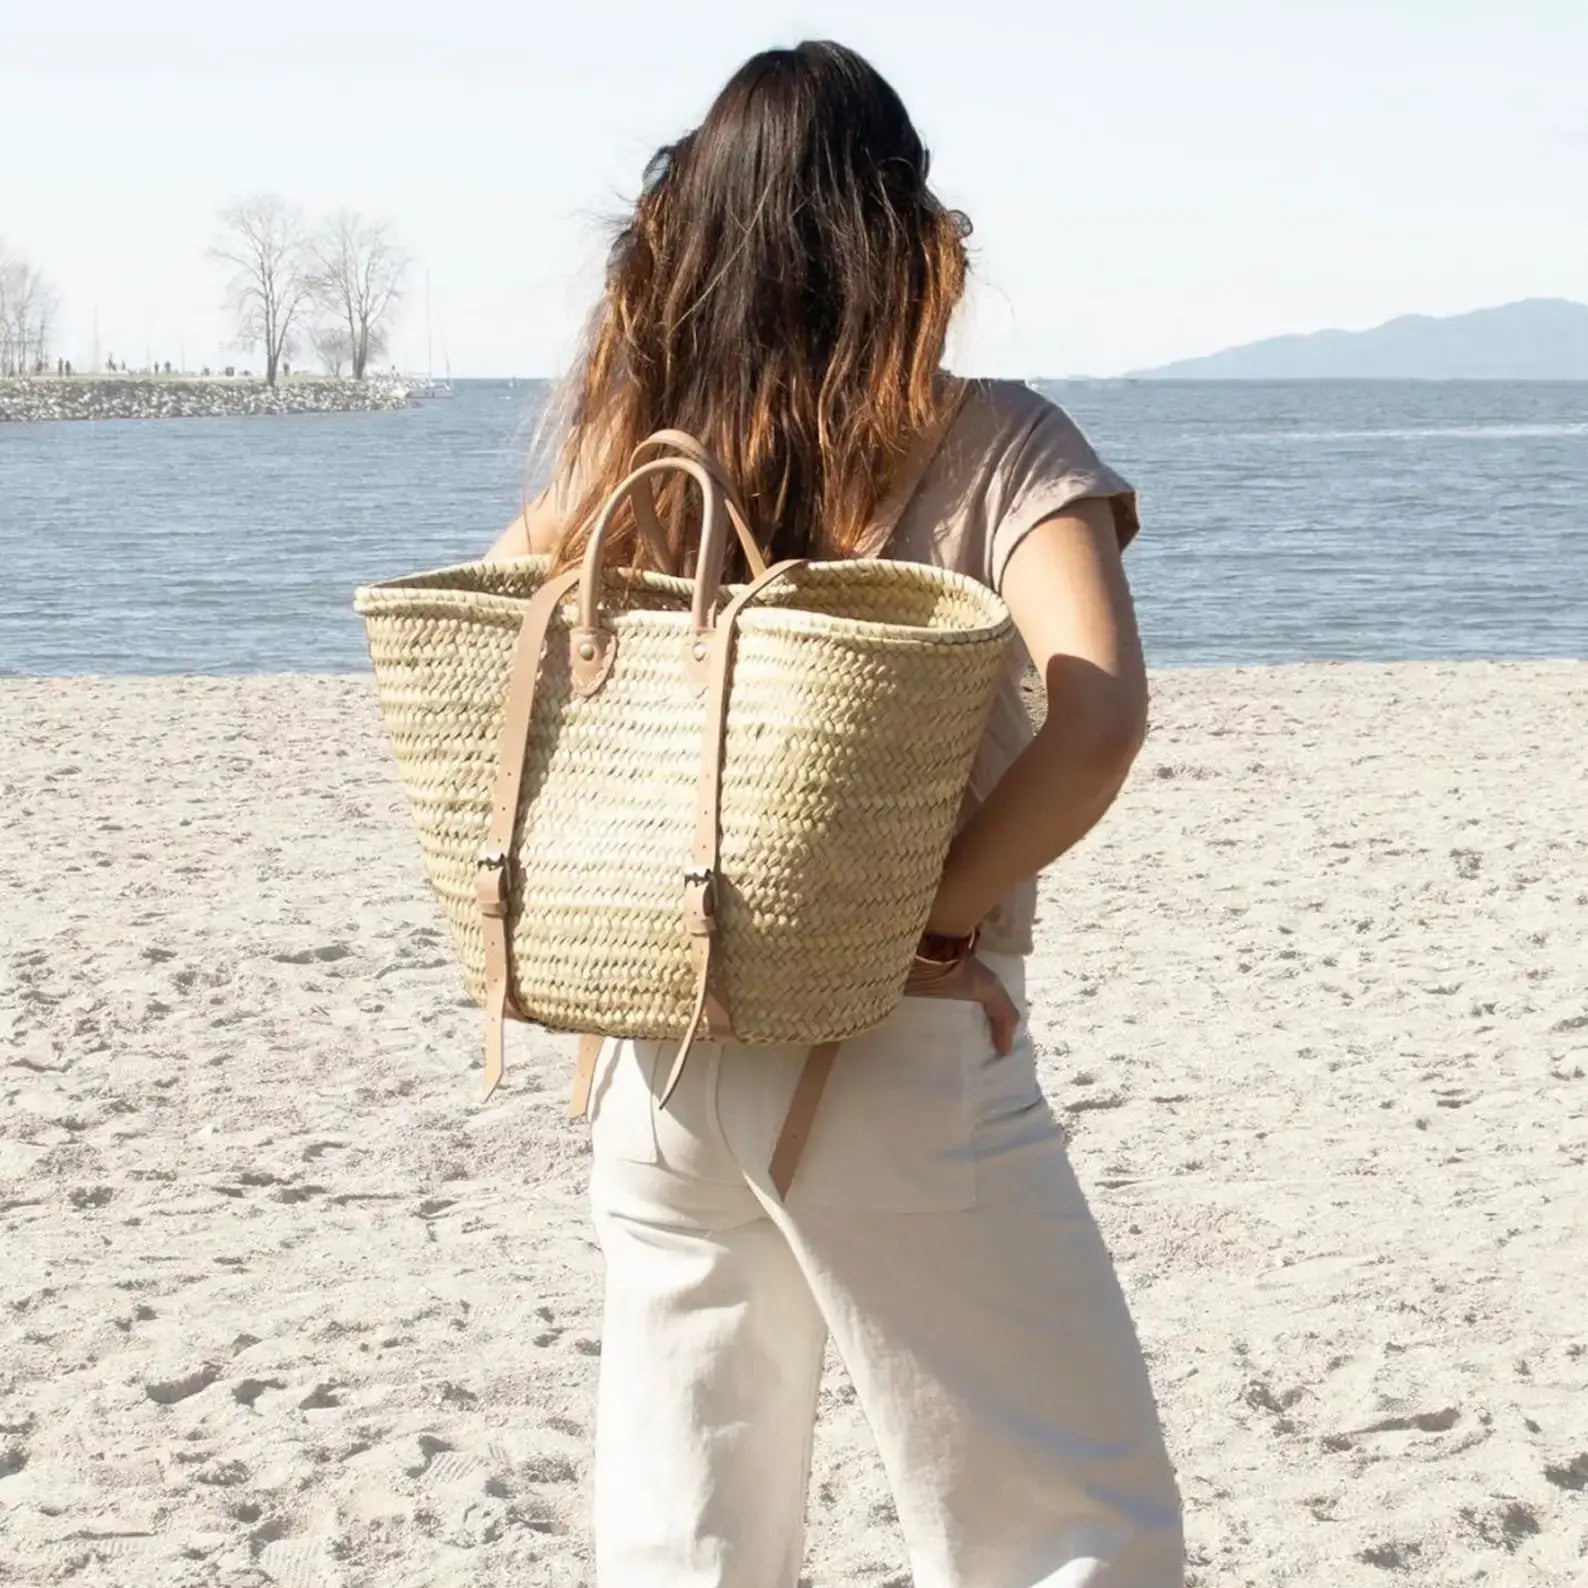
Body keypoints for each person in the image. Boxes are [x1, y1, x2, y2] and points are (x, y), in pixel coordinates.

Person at [490, 41, 1182, 1588]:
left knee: (689, 1544)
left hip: (657, 1050)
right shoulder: (995, 440)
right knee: (1065, 1530)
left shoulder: (639, 456)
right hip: (894, 1041)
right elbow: (1099, 717)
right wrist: (935, 913)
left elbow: (487, 639)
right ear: (906, 230)